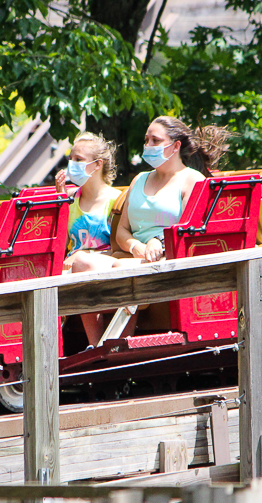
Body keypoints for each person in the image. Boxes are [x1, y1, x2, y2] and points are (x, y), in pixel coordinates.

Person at [70, 116, 232, 346]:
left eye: (155, 140)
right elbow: (123, 230)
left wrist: (158, 242)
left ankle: (118, 344)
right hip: (134, 255)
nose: (148, 146)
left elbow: (188, 229)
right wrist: (136, 246)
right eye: (147, 140)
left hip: (169, 258)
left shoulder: (191, 180)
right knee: (82, 264)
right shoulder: (139, 180)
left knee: (119, 267)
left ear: (175, 146)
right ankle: (95, 346)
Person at [55, 131, 122, 346]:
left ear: (97, 165)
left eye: (79, 160)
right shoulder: (71, 199)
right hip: (70, 272)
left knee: (83, 268)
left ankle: (96, 345)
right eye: (70, 159)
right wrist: (61, 203)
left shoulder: (116, 199)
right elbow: (61, 245)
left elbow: (118, 248)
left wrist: (81, 257)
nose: (71, 165)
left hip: (103, 271)